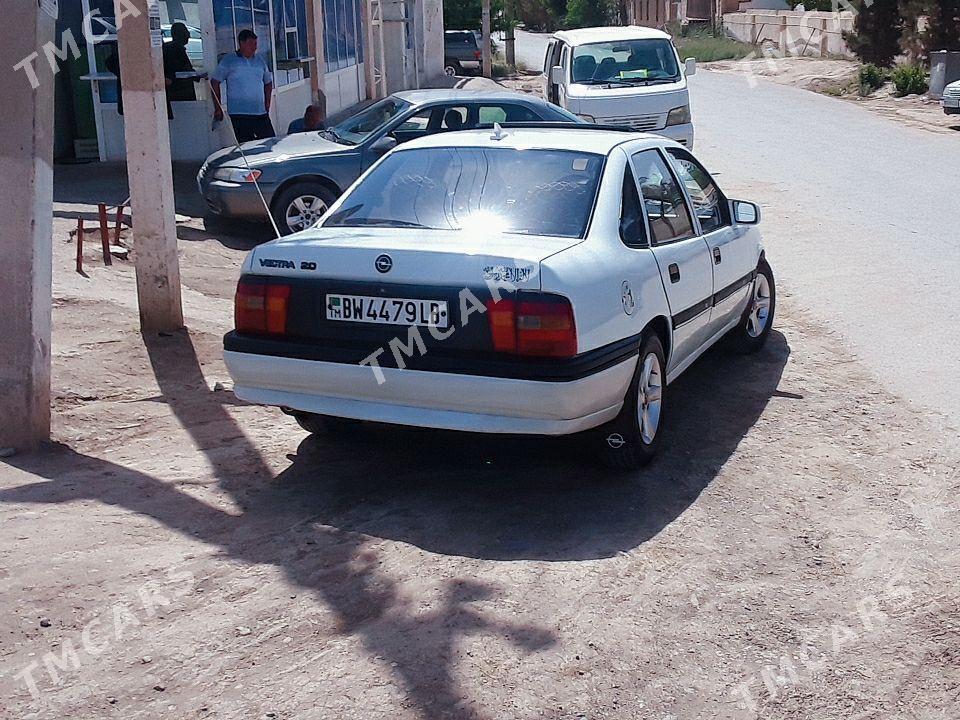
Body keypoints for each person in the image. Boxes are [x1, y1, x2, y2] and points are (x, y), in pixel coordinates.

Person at [210, 29, 275, 143]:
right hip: (239, 113)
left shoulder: (259, 60)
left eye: (255, 44)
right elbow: (215, 82)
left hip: (259, 111)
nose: (254, 47)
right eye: (251, 44)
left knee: (269, 142)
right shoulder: (229, 60)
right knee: (246, 144)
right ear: (242, 43)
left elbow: (268, 83)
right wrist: (218, 107)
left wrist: (267, 103)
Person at [163, 22, 201, 109]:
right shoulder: (176, 49)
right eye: (186, 32)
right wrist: (196, 75)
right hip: (180, 93)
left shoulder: (168, 47)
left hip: (175, 92)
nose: (189, 35)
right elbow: (183, 71)